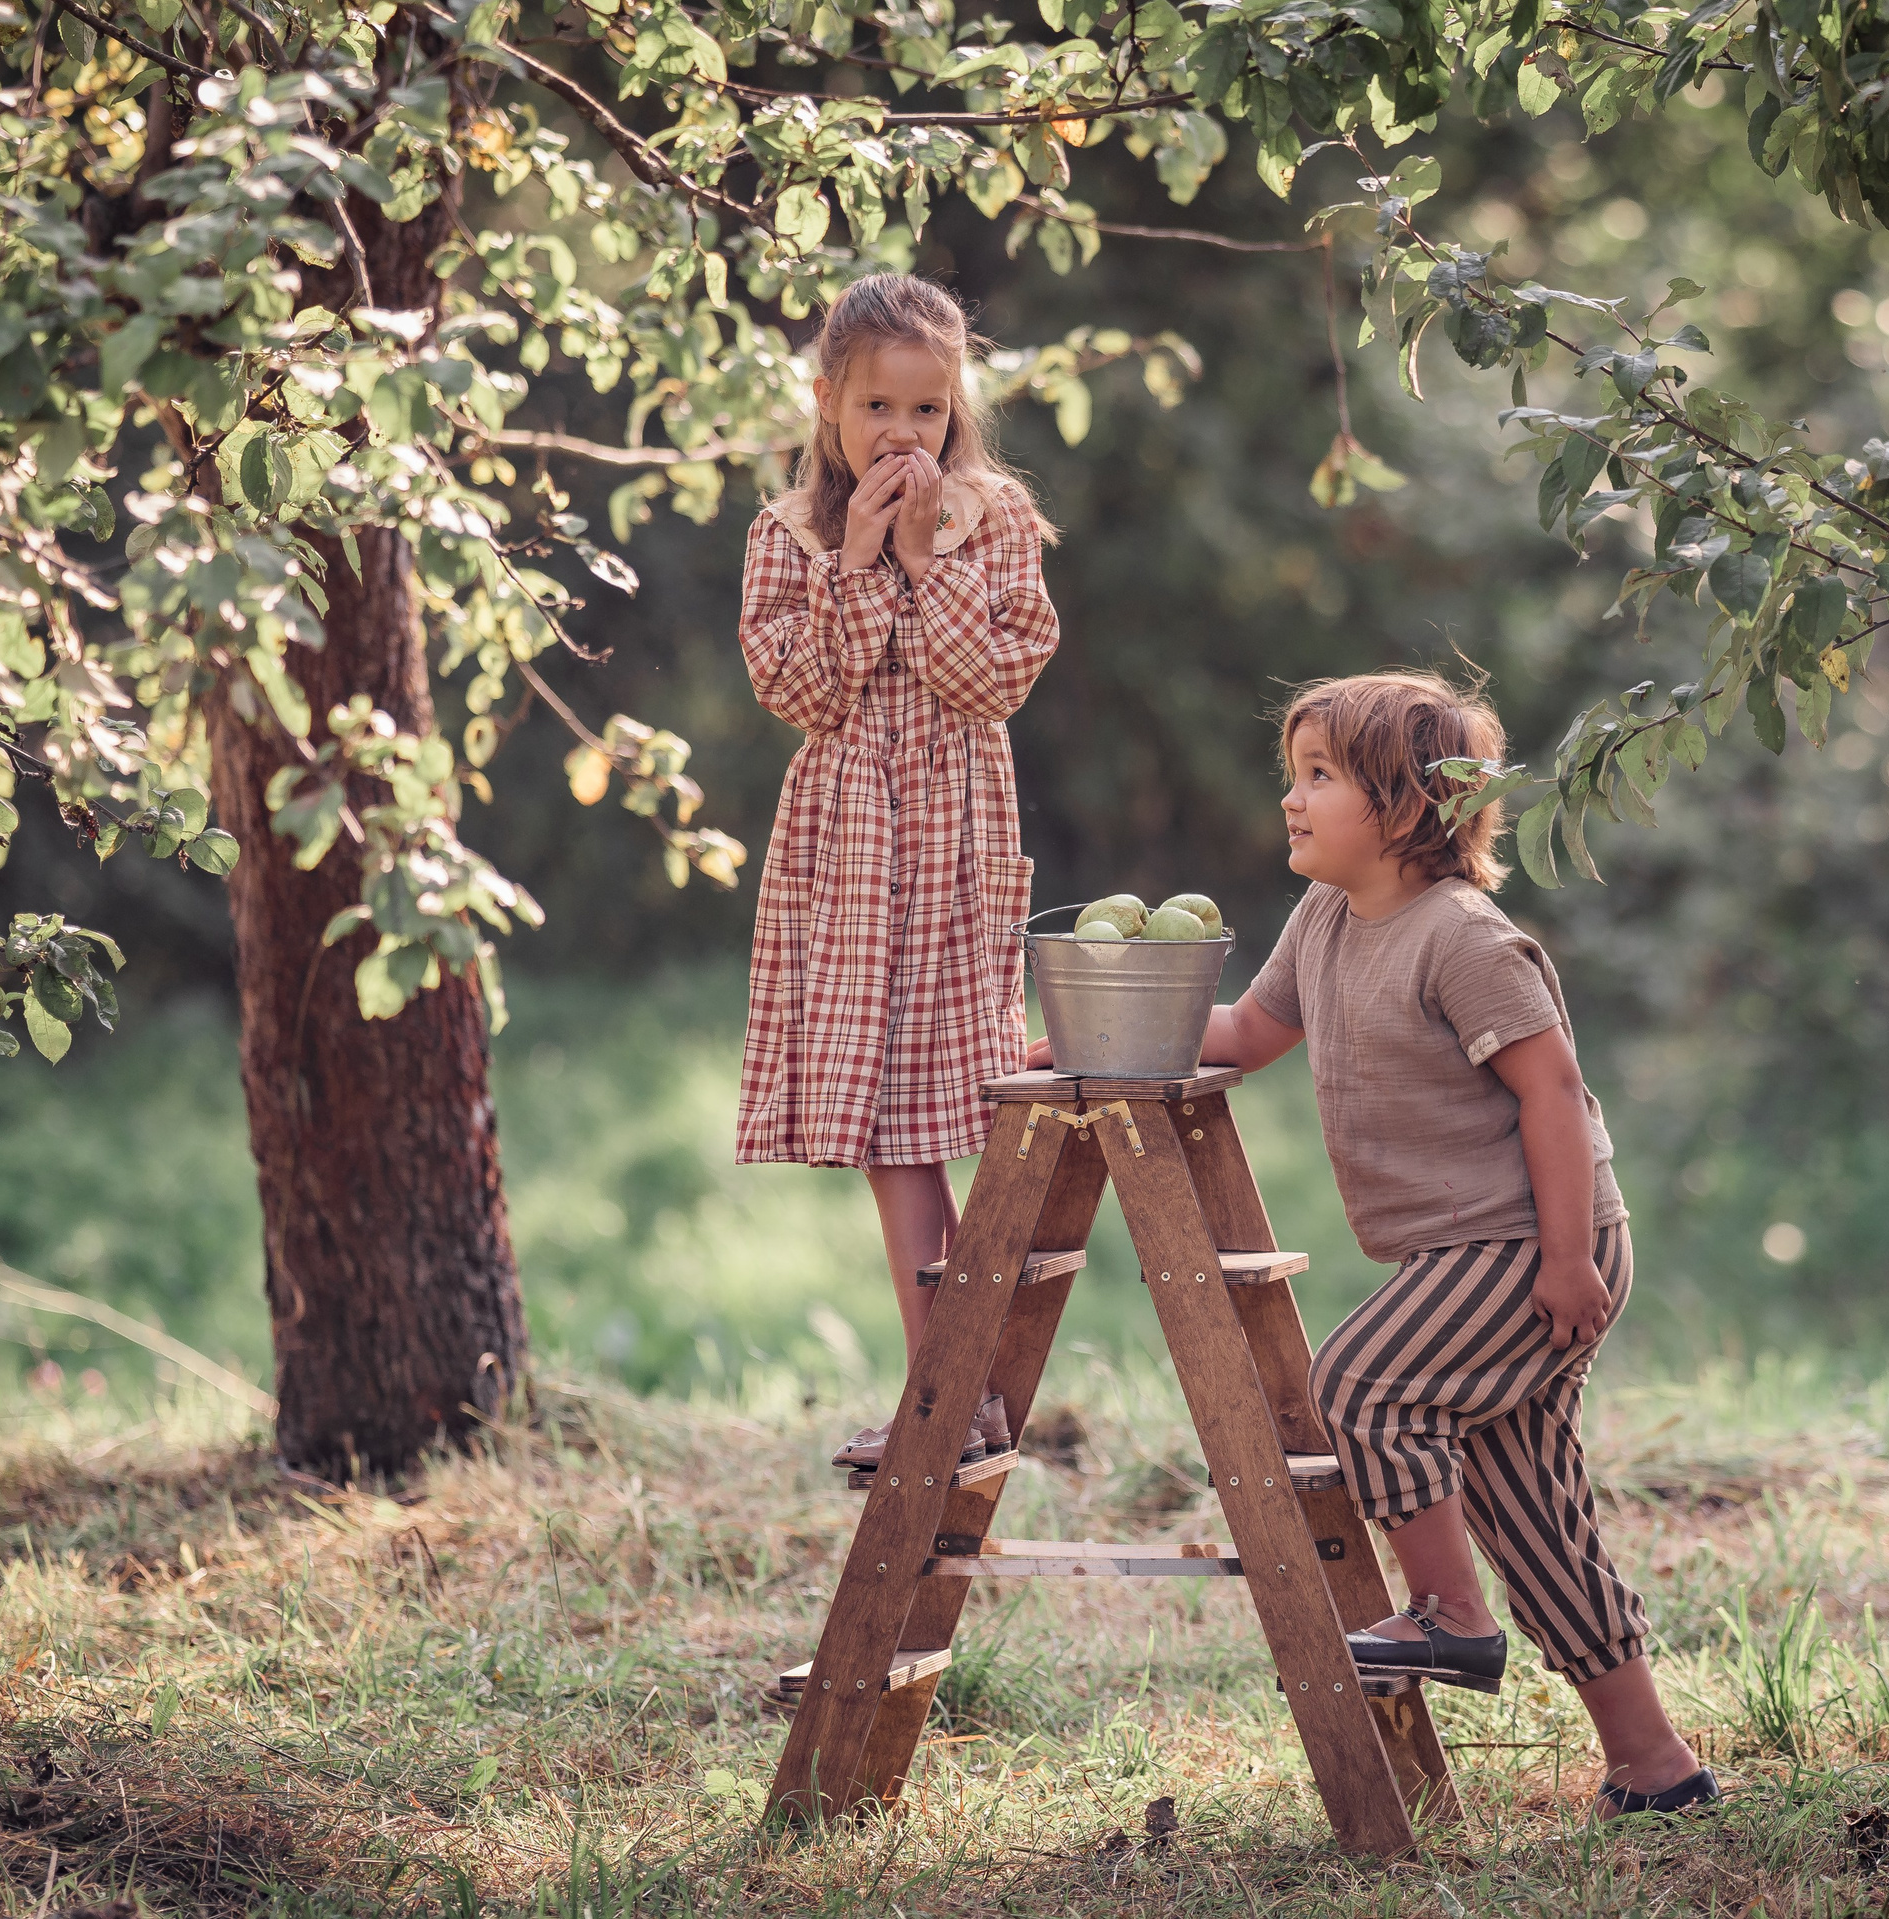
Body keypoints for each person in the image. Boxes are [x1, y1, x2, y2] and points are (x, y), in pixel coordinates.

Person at [1073, 669, 1717, 1818]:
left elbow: (1552, 1092)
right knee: (1531, 1512)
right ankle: (1656, 1766)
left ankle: (1451, 1616)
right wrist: (1096, 1034)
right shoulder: (1324, 920)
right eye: (1293, 773)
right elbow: (1245, 1031)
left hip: (1531, 1241)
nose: (1291, 796)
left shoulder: (1461, 938)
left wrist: (1565, 1258)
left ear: (1409, 804)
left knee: (1362, 1384)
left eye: (1320, 775)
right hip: (1468, 1253)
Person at [736, 274, 1061, 1472]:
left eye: (927, 409)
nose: (902, 433)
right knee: (886, 1125)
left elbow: (993, 684)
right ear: (827, 399)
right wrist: (860, 563)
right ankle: (950, 1394)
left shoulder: (994, 518)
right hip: (848, 852)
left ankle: (961, 1385)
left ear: (955, 405)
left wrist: (925, 561)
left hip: (954, 843)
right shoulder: (786, 535)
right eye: (877, 405)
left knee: (950, 1105)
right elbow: (802, 695)